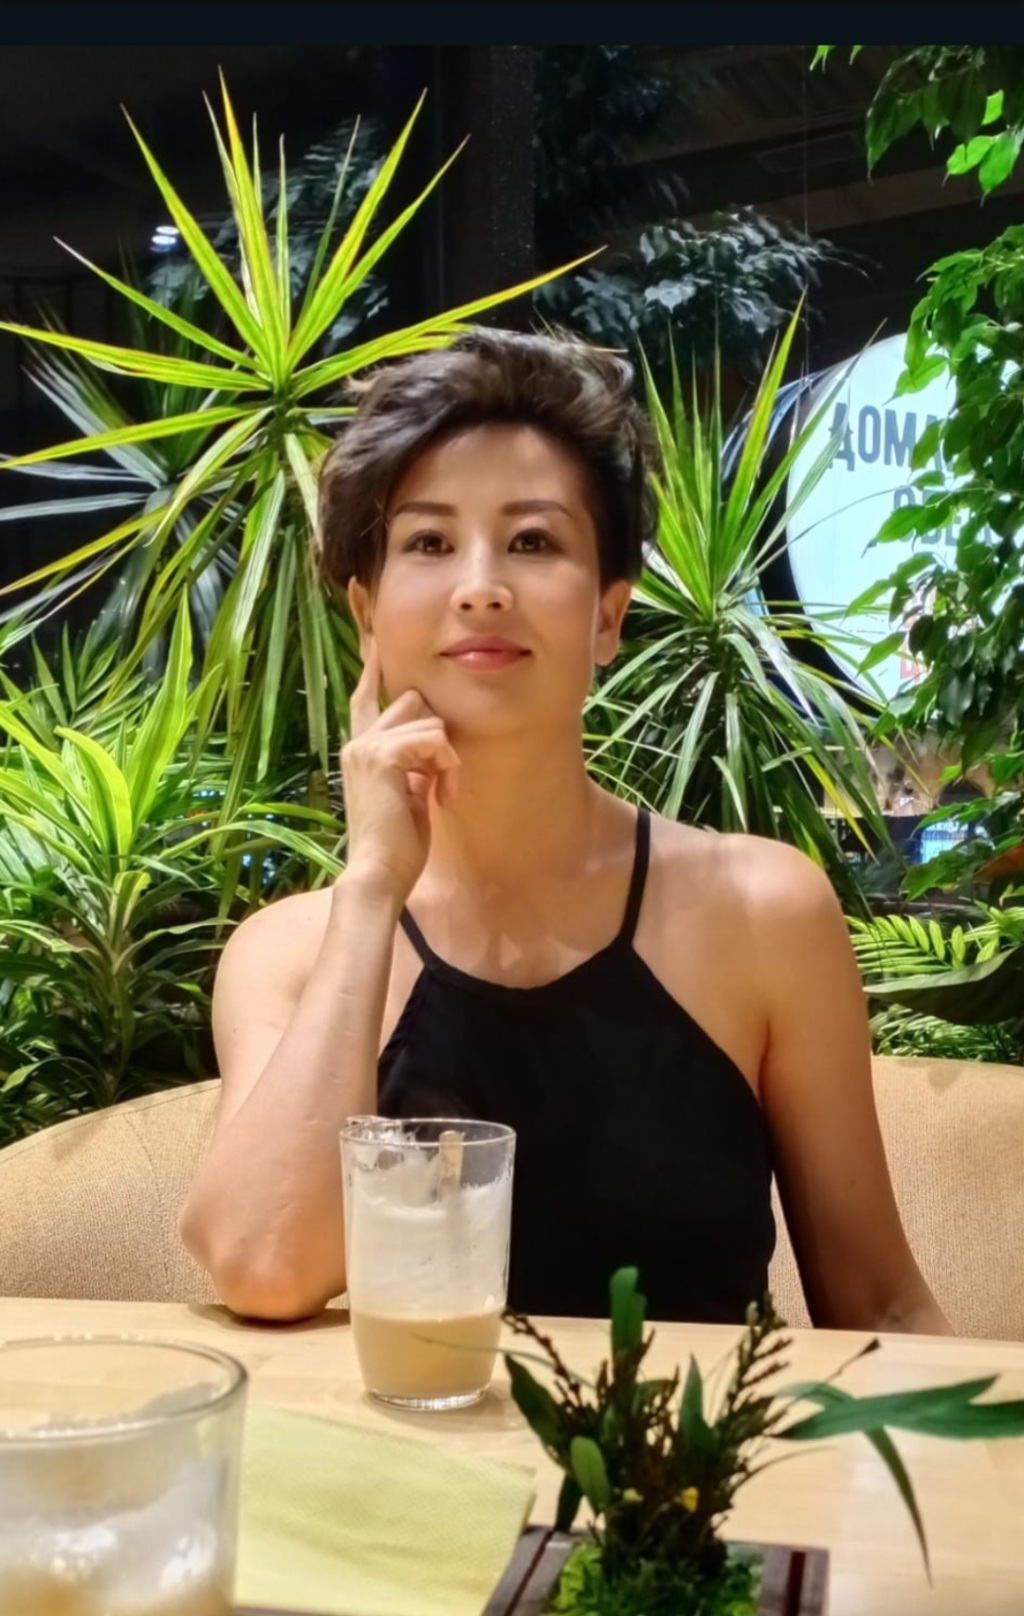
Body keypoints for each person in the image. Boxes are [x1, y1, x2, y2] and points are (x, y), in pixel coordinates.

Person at [180, 328, 951, 1334]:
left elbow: (880, 1300)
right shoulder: (288, 955)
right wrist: (369, 888)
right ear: (366, 614)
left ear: (607, 615)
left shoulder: (762, 913)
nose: (481, 585)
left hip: (690, 1441)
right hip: (408, 1441)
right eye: (429, 542)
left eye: (533, 541)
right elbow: (263, 1264)